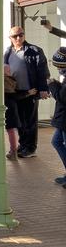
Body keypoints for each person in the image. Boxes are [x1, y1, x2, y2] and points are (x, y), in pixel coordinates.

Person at [3, 26, 50, 158]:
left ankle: (30, 148)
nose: (18, 38)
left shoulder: (34, 50)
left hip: (31, 91)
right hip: (15, 92)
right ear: (10, 38)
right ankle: (22, 145)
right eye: (15, 36)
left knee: (30, 121)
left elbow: (42, 71)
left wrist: (43, 89)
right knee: (19, 122)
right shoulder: (8, 51)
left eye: (21, 35)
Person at [48, 47, 66, 185]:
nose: (59, 70)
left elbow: (62, 97)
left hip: (64, 119)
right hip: (62, 118)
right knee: (56, 142)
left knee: (58, 142)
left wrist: (53, 85)